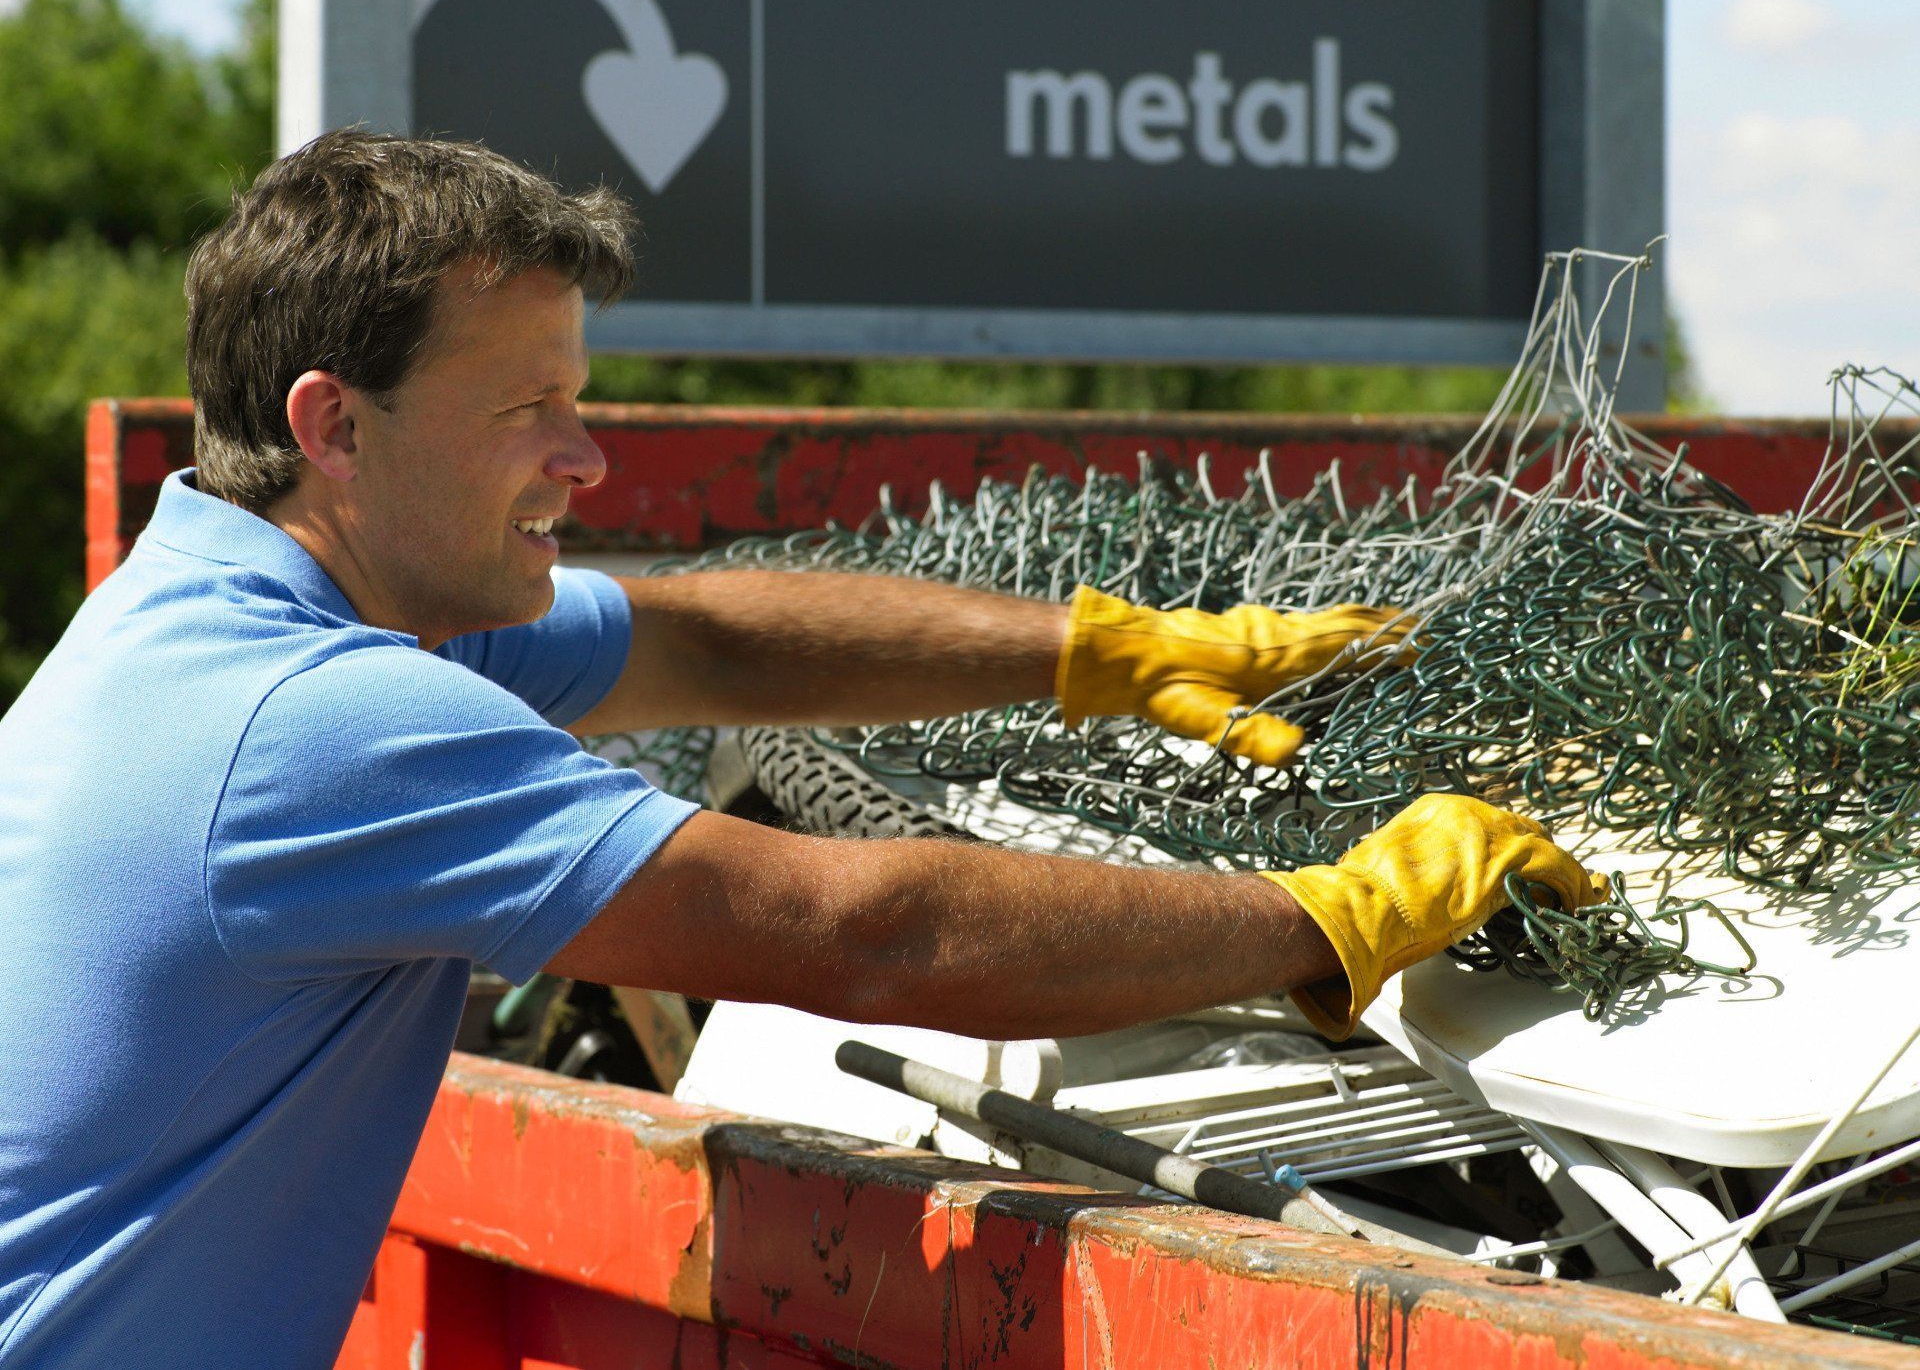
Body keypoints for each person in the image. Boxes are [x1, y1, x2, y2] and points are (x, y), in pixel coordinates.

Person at [0, 131, 1605, 1367]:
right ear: (337, 424)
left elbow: (703, 638)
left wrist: (1105, 657)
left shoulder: (213, 609)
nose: (588, 452)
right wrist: (1316, 920)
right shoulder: (316, 723)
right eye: (529, 409)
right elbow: (860, 929)